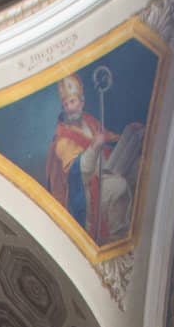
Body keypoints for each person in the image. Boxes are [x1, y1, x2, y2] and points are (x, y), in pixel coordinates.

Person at [45, 73, 142, 244]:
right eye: (65, 104)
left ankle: (138, 222)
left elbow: (104, 135)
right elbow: (79, 172)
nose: (69, 108)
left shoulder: (88, 121)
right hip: (85, 192)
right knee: (119, 187)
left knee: (138, 168)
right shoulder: (62, 140)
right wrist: (95, 146)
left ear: (82, 102)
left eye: (72, 102)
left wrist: (126, 135)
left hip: (105, 170)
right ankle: (118, 236)